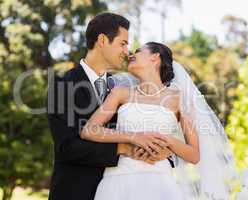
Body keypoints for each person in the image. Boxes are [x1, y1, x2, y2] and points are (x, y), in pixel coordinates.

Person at [80, 42, 237, 200]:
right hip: (118, 179)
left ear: (155, 57)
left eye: (138, 51)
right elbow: (89, 130)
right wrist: (133, 137)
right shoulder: (120, 93)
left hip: (159, 181)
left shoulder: (179, 99)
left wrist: (167, 142)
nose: (130, 55)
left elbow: (194, 155)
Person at [47, 13, 172, 200]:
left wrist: (160, 151)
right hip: (75, 192)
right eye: (123, 43)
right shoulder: (62, 85)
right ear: (103, 40)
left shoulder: (124, 88)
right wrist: (124, 148)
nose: (127, 52)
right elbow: (68, 147)